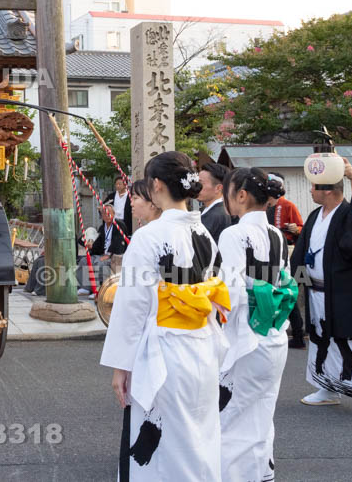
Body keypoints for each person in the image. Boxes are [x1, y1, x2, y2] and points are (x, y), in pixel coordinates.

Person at [101, 152, 230, 481]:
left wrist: (121, 367)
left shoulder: (149, 237)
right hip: (203, 345)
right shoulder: (205, 234)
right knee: (198, 437)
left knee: (162, 444)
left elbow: (131, 307)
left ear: (156, 185)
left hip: (165, 351)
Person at [217, 168, 298, 481]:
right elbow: (285, 281)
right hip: (275, 333)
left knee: (231, 414)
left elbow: (232, 291)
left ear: (240, 195)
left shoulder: (233, 234)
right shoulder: (277, 235)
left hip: (245, 335)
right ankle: (260, 472)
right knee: (262, 412)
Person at [292, 157, 352, 424]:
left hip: (344, 292)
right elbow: (301, 254)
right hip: (317, 292)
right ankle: (328, 387)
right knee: (322, 341)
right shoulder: (314, 216)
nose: (310, 191)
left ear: (329, 190)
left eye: (314, 187)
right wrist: (297, 282)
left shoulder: (349, 214)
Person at [265, 173, 307, 348]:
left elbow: (301, 228)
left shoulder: (288, 205)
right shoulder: (262, 206)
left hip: (286, 252)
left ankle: (298, 332)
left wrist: (294, 228)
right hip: (267, 254)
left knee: (285, 293)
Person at [90, 204, 127, 284]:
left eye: (109, 212)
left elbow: (119, 241)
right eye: (104, 213)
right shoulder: (101, 228)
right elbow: (98, 243)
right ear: (102, 216)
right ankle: (86, 288)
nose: (107, 215)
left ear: (113, 214)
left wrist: (109, 254)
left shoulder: (119, 225)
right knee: (85, 260)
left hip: (113, 254)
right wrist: (91, 247)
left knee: (99, 263)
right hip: (102, 254)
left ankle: (98, 288)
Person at [198, 162, 232, 242]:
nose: (196, 186)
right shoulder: (216, 210)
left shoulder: (216, 214)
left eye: (200, 183)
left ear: (218, 188)